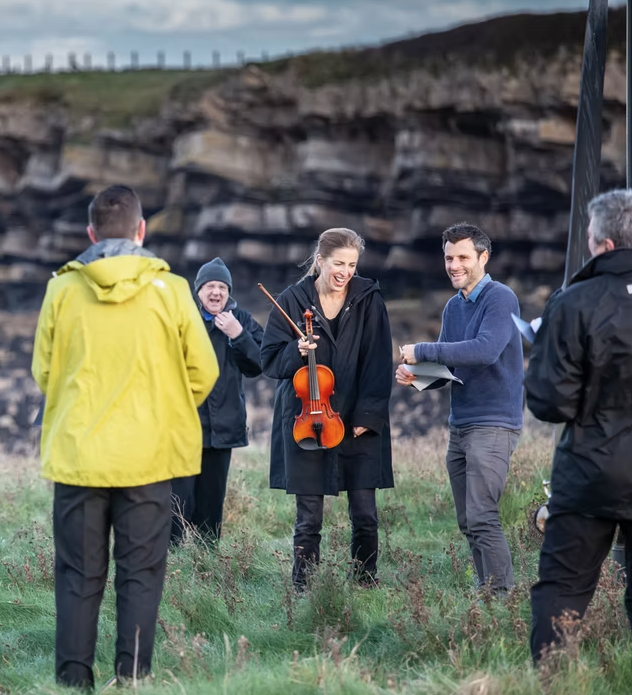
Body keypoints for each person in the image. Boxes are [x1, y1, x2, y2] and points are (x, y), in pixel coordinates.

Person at [32, 184, 219, 689]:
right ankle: (132, 680)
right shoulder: (174, 289)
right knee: (140, 577)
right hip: (148, 459)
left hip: (78, 458)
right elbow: (203, 372)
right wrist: (160, 412)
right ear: (142, 230)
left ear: (90, 234)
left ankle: (74, 683)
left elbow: (44, 373)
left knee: (77, 577)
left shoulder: (61, 290)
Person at [525, 189, 632, 662]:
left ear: (603, 244)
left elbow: (549, 401)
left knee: (563, 593)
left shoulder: (573, 301)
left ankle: (551, 682)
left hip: (590, 468)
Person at [262, 228, 394, 590]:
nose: (346, 272)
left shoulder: (369, 299)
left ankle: (365, 584)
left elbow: (379, 363)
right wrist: (296, 352)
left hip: (356, 421)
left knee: (365, 515)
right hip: (308, 422)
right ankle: (305, 589)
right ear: (320, 260)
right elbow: (270, 361)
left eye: (352, 265)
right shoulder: (291, 300)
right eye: (339, 263)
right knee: (309, 519)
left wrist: (368, 417)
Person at [397, 222, 524, 594]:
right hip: (461, 425)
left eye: (463, 257)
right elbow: (448, 369)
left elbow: (484, 351)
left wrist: (421, 350)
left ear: (483, 257)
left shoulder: (501, 298)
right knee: (469, 521)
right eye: (449, 258)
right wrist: (416, 374)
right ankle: (487, 592)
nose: (455, 265)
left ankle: (502, 600)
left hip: (495, 423)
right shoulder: (454, 307)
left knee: (484, 516)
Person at [170, 257, 265, 546]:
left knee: (211, 508)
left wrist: (238, 334)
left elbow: (259, 364)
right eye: (210, 286)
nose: (216, 292)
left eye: (222, 287)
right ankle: (170, 566)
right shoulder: (182, 319)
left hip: (223, 429)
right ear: (198, 291)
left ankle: (206, 567)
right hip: (184, 428)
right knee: (176, 504)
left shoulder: (243, 321)